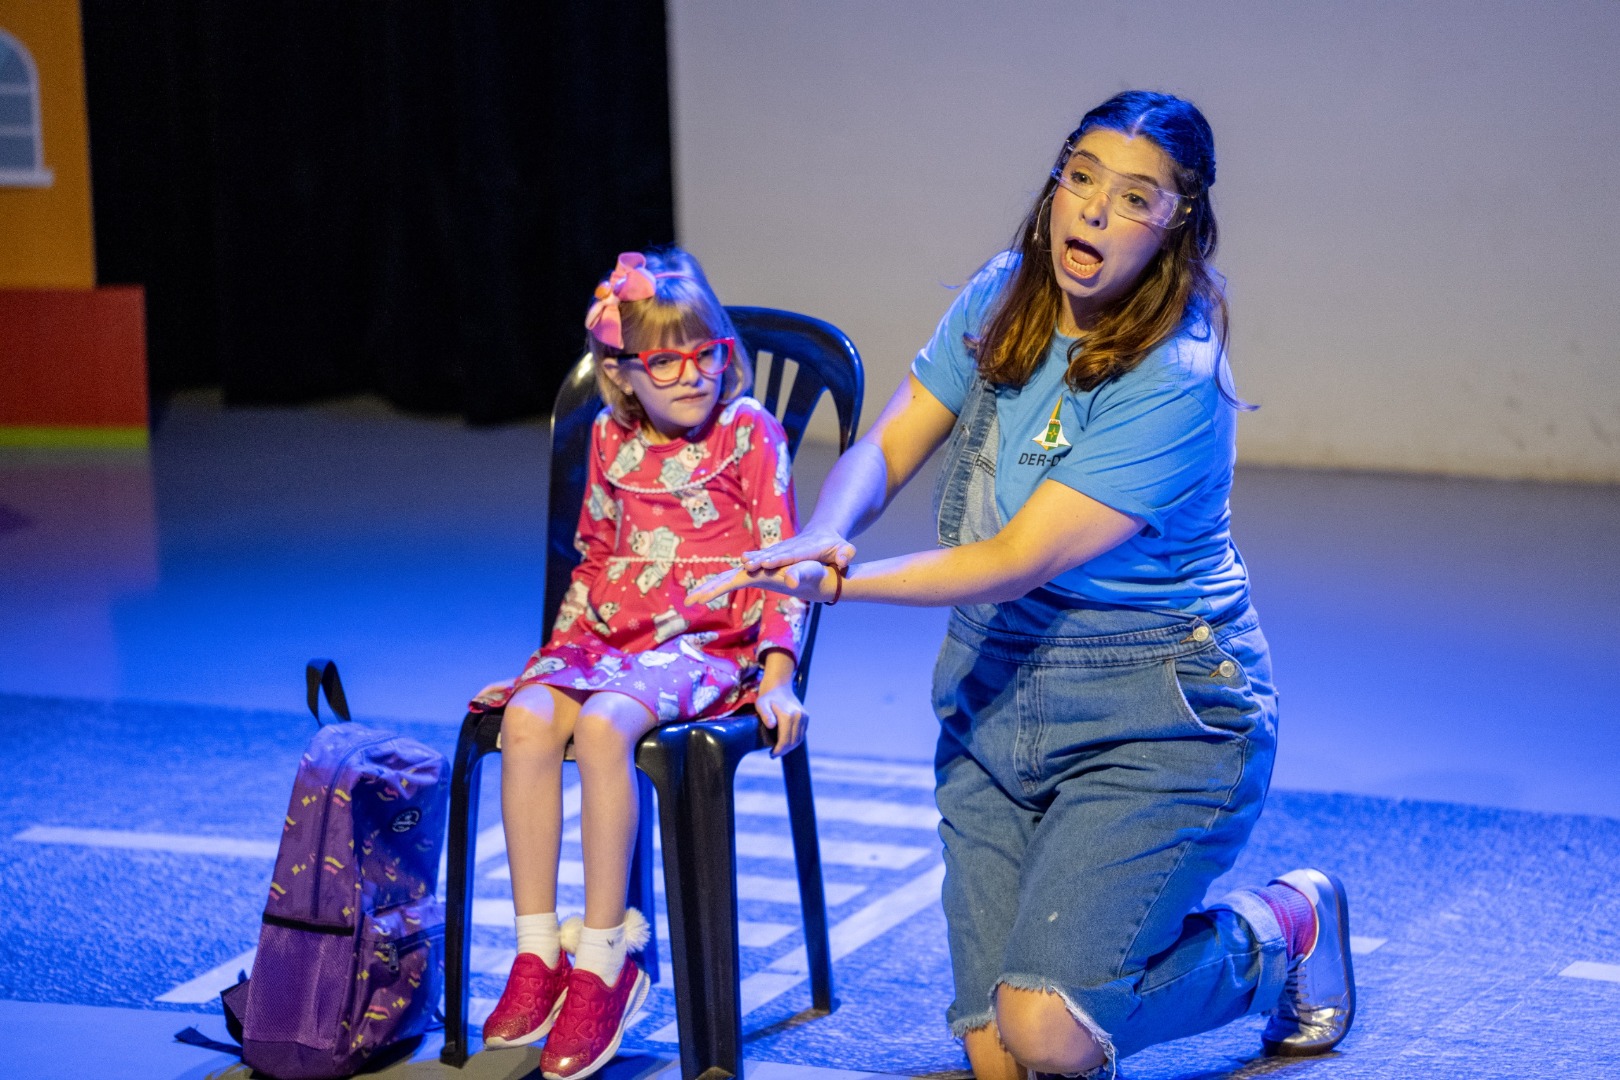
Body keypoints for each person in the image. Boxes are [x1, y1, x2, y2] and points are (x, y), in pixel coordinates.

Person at [688, 91, 1354, 1077]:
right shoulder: (1004, 292)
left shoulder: (1175, 373)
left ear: (1177, 222)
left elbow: (1014, 560)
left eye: (1135, 196)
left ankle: (1287, 931)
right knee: (999, 1055)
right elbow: (892, 441)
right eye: (1081, 177)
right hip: (995, 694)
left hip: (1157, 716)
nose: (1095, 208)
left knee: (1048, 1026)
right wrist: (825, 531)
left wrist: (843, 587)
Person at [472, 248, 810, 1079]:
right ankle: (538, 950)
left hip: (706, 645)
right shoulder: (607, 437)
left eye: (707, 355)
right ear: (622, 374)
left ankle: (605, 957)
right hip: (607, 637)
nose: (693, 376)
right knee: (526, 720)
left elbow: (785, 563)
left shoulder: (749, 433)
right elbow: (592, 559)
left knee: (603, 725)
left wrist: (777, 674)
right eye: (666, 362)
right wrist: (542, 666)